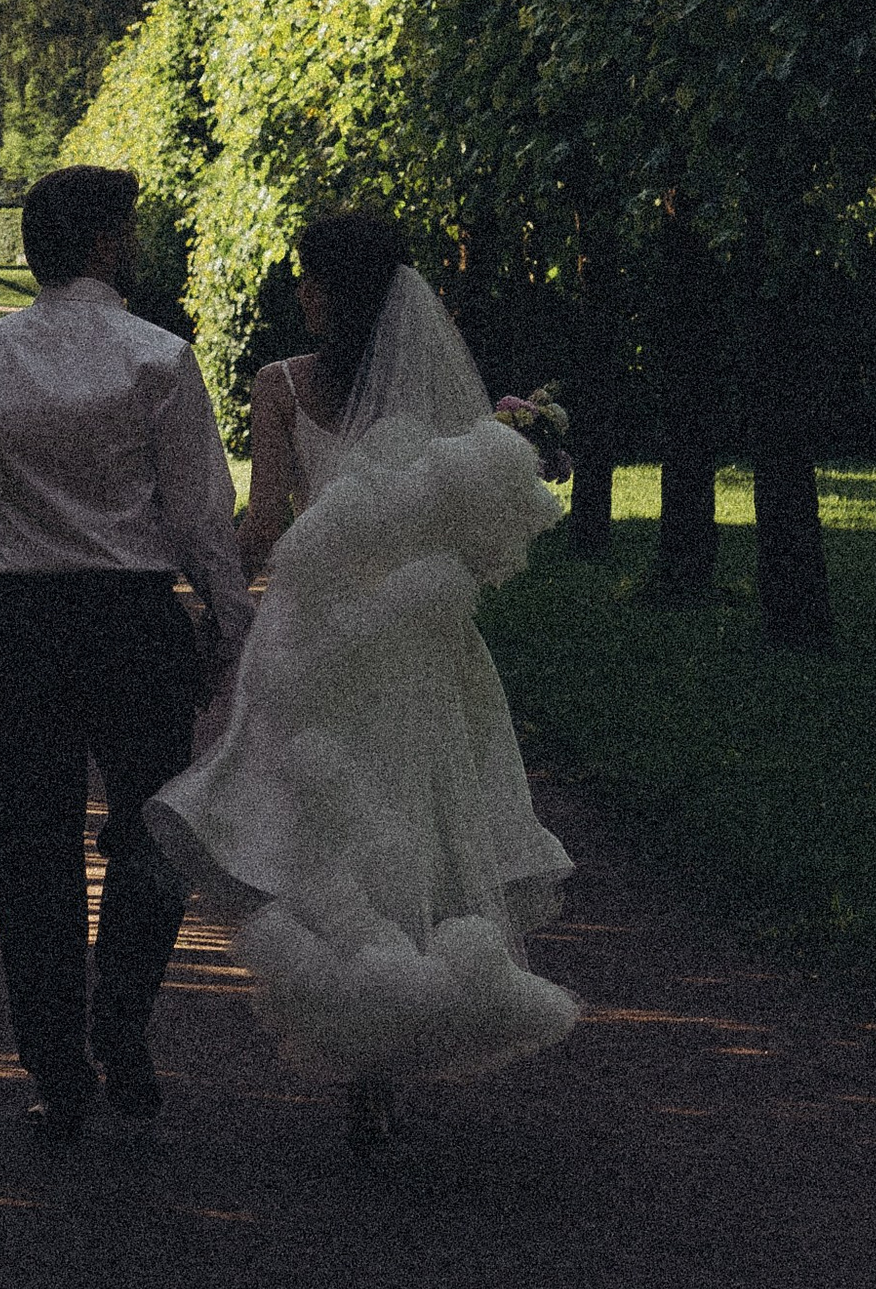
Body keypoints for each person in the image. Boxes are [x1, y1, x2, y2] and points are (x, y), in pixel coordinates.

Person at [149, 207, 580, 1159]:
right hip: (417, 646)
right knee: (414, 829)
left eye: (308, 277)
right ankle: (391, 1042)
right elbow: (473, 523)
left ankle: (363, 1038)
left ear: (328, 290)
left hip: (313, 648)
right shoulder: (432, 393)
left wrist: (196, 572)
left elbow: (264, 524)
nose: (299, 292)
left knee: (322, 838)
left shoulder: (281, 388)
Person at [0, 162, 252, 1142]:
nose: (136, 244)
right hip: (136, 625)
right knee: (153, 837)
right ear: (102, 243)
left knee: (31, 852)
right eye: (128, 229)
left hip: (23, 627)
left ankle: (55, 1066)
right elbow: (199, 518)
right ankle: (121, 1019)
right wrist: (228, 624)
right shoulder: (158, 359)